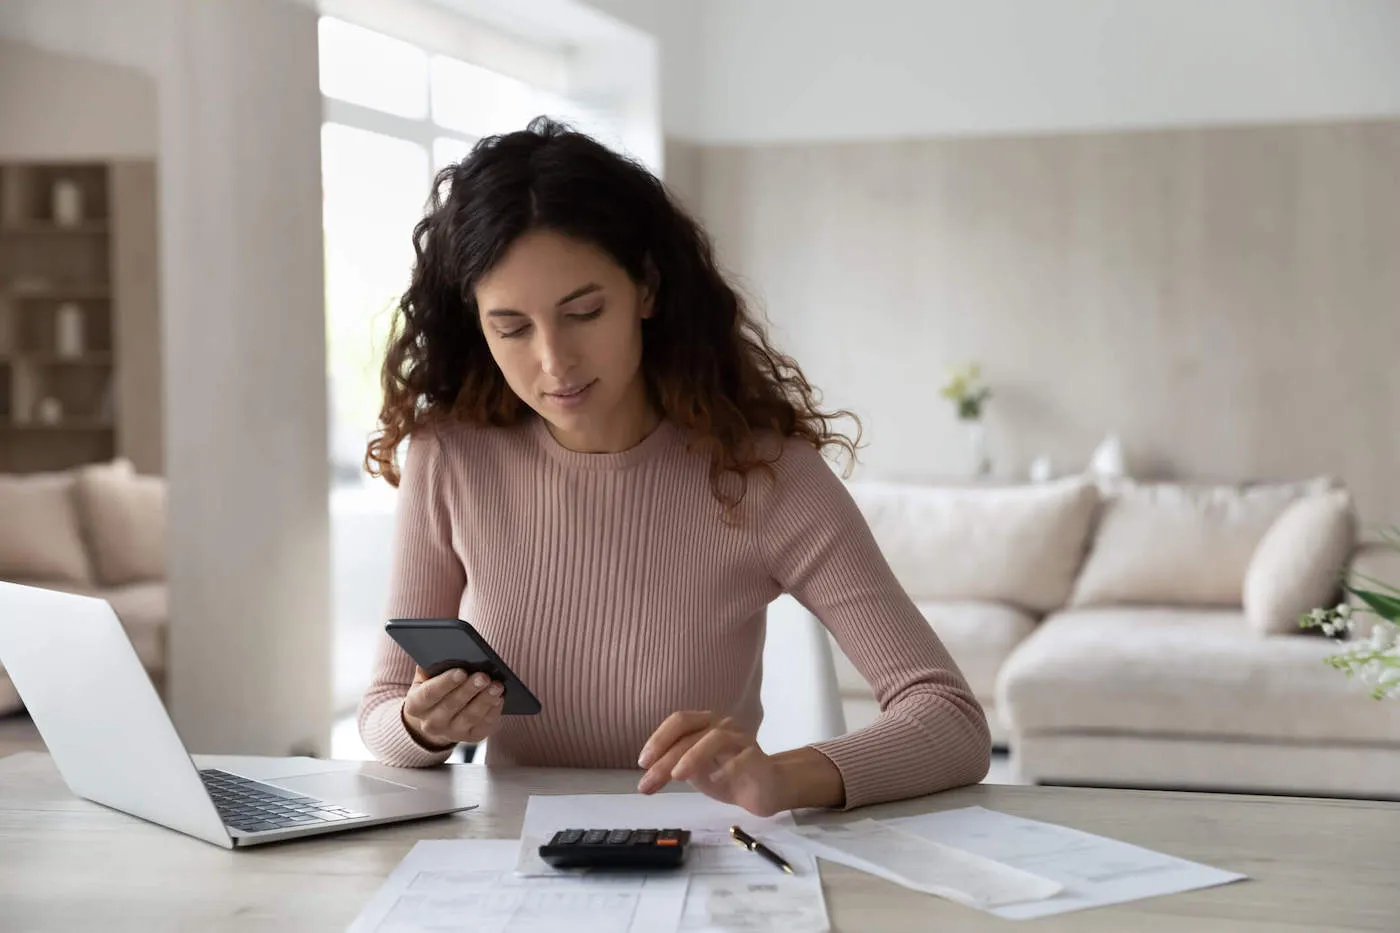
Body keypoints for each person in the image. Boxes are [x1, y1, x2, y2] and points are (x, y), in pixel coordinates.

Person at [358, 118, 990, 816]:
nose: (553, 361)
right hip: (510, 861)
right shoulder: (451, 455)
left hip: (699, 863)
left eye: (585, 311)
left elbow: (951, 720)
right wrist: (422, 725)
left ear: (648, 289)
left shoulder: (763, 473)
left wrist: (785, 776)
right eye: (511, 327)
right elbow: (383, 712)